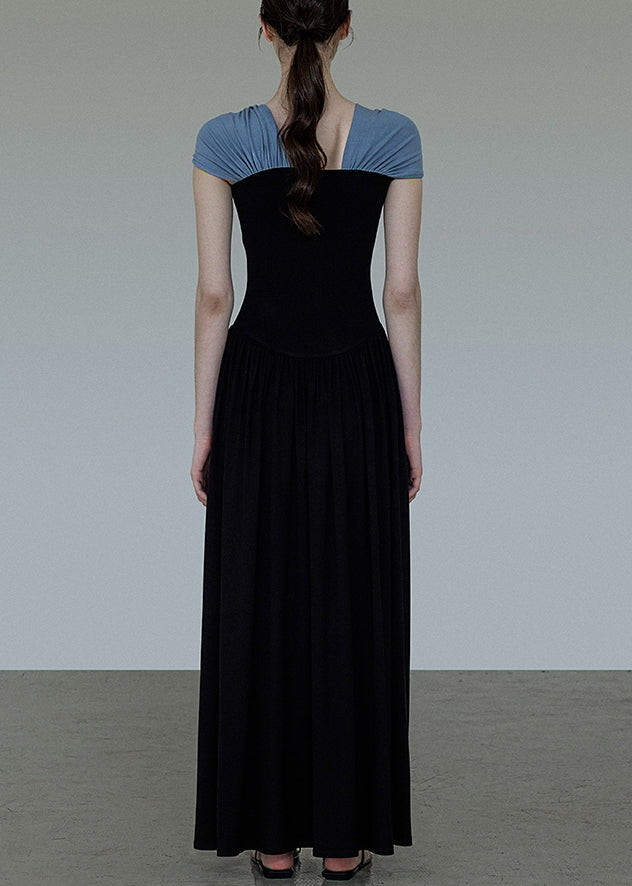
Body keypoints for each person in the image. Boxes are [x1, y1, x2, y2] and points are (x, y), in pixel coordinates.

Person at [190, 0, 423, 879]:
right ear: (345, 28)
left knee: (261, 595)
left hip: (257, 387)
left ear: (266, 29)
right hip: (356, 384)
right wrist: (410, 422)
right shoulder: (396, 136)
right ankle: (344, 841)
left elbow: (216, 296)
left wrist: (204, 424)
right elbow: (401, 293)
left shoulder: (222, 138)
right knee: (352, 596)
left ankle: (273, 840)